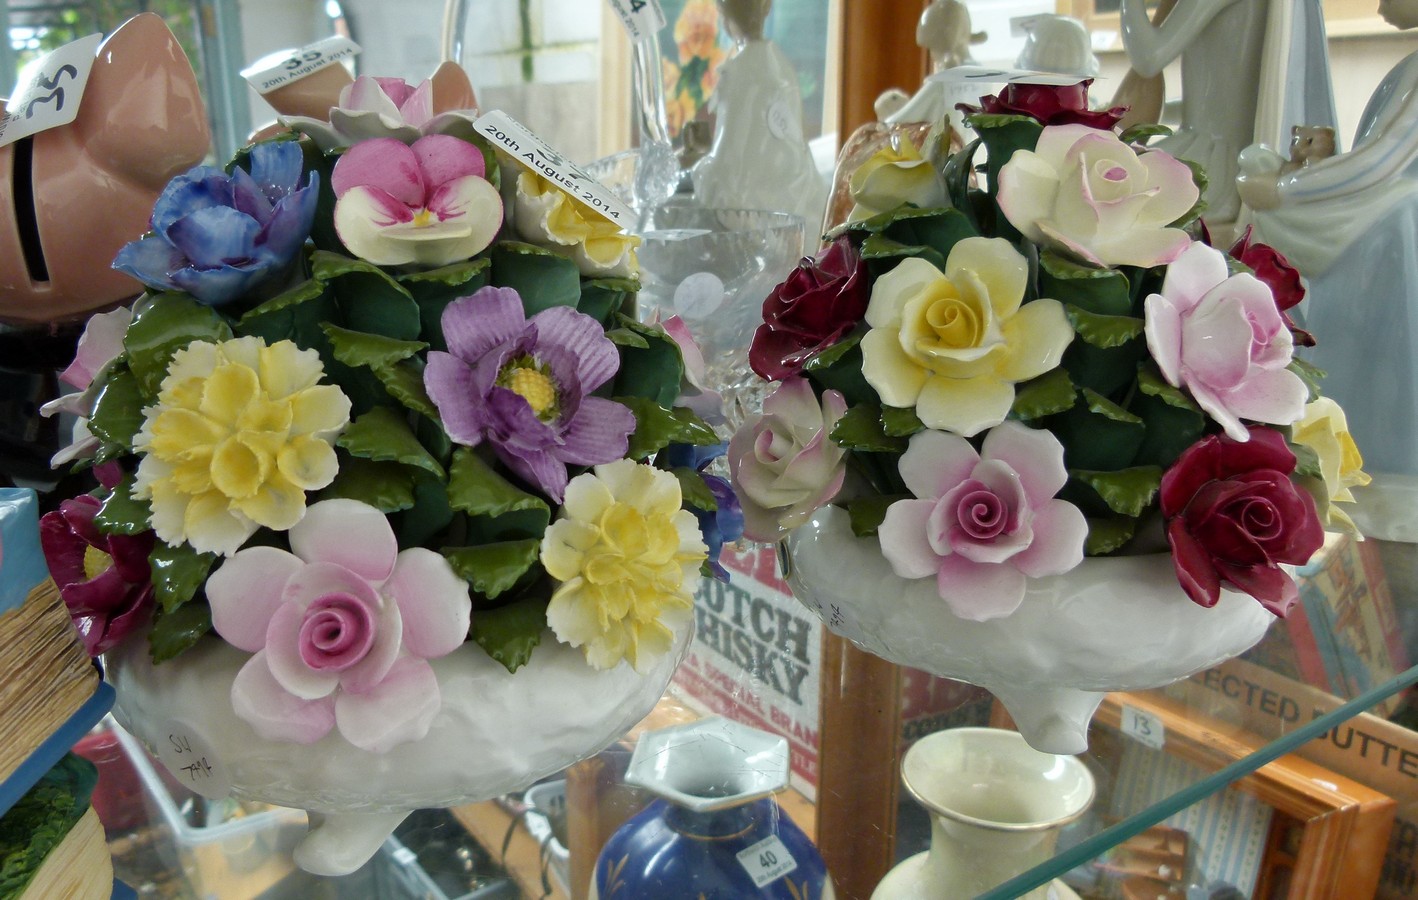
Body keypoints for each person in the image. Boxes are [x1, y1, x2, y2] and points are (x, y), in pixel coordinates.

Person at [1237, 0, 1418, 543]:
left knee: (1381, 357)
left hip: (1392, 235)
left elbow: (1383, 160)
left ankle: (1378, 476)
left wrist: (1288, 188)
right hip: (1387, 222)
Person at [1120, 0, 1336, 231]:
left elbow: (1148, 58)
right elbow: (1217, 101)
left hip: (1213, 168)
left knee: (1111, 190)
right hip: (1226, 153)